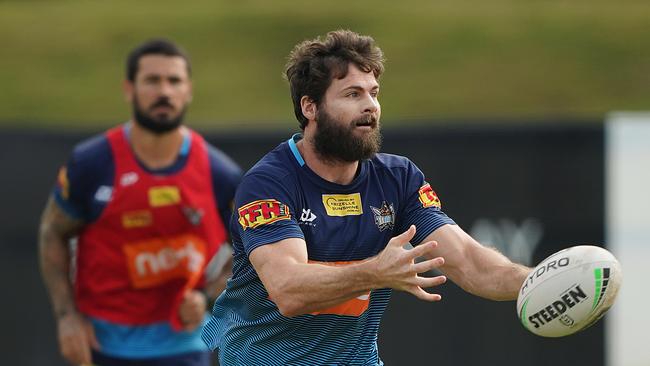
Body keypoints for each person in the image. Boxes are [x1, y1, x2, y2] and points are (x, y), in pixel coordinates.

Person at [201, 29, 532, 366]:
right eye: (352, 94)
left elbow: (469, 261)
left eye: (374, 93)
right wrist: (374, 272)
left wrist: (538, 279)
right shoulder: (269, 183)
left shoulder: (398, 178)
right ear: (310, 107)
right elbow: (288, 289)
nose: (370, 106)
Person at [38, 39, 242, 366]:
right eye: (152, 80)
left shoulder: (220, 174)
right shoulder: (93, 164)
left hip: (185, 346)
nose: (164, 91)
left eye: (174, 81)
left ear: (188, 90)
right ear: (129, 89)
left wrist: (208, 298)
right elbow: (52, 232)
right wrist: (67, 317)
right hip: (100, 345)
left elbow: (253, 254)